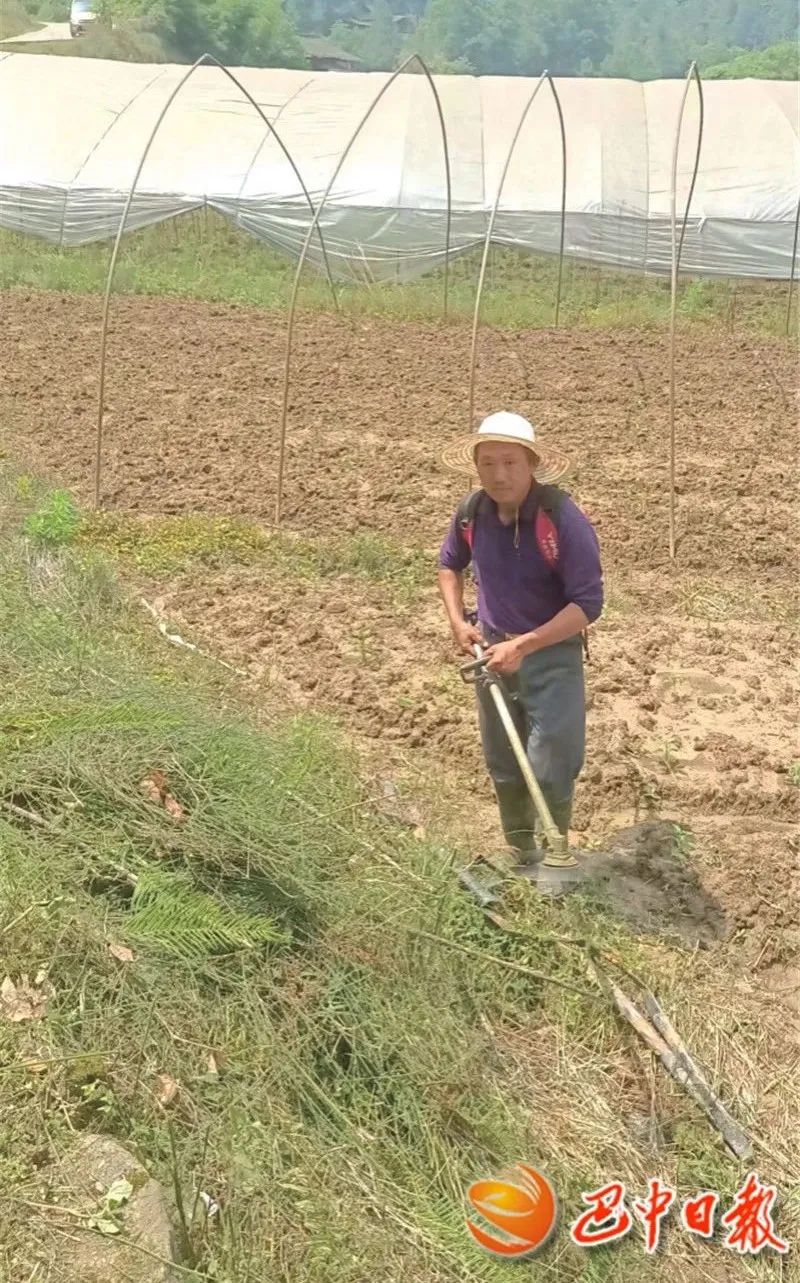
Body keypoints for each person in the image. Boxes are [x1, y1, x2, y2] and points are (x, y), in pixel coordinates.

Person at [437, 411, 603, 873]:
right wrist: (458, 622)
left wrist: (525, 645)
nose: (498, 474)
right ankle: (521, 849)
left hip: (551, 655)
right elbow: (449, 566)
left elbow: (587, 604)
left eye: (509, 462)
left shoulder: (561, 520)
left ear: (531, 463)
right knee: (503, 761)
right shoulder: (472, 512)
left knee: (552, 759)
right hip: (491, 652)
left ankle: (557, 856)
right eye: (487, 463)